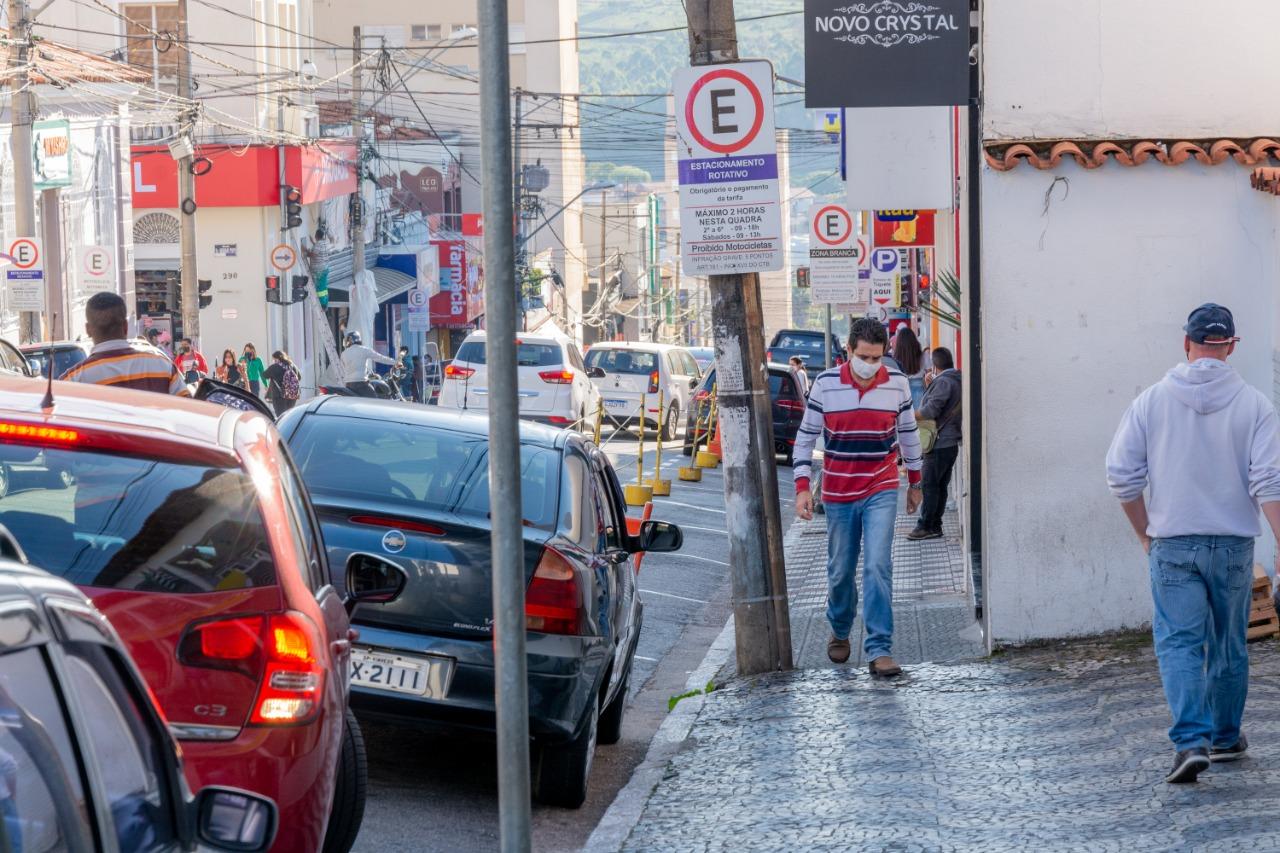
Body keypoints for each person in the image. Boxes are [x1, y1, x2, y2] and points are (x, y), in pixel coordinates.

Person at [1106, 303, 1280, 784]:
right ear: (1232, 347)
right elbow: (1269, 483)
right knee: (1228, 644)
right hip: (1232, 546)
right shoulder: (1255, 405)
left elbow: (1121, 477)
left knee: (1180, 643)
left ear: (1186, 343)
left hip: (1173, 544)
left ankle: (1190, 742)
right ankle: (1225, 737)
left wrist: (1144, 532)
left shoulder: (1151, 401)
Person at [794, 317, 923, 677]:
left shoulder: (897, 384)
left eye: (877, 357)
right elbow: (805, 439)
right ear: (848, 351)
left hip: (881, 485)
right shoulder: (825, 384)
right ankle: (839, 628)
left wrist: (915, 481)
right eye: (864, 356)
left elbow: (909, 434)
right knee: (840, 572)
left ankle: (879, 648)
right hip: (838, 491)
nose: (870, 364)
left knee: (878, 565)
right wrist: (803, 487)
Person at [60, 292, 187, 395]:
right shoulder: (163, 366)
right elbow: (188, 412)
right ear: (125, 327)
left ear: (88, 330)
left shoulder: (72, 381)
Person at [907, 347, 961, 541]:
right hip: (948, 442)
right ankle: (935, 525)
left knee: (930, 485)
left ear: (935, 366)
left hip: (939, 441)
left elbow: (930, 410)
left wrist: (906, 415)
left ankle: (926, 526)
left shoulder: (945, 382)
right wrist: (931, 384)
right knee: (939, 486)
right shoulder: (954, 379)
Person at [893, 326, 926, 408]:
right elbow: (929, 372)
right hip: (919, 385)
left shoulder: (895, 357)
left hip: (902, 387)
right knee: (919, 416)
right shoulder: (923, 355)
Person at [263, 350, 301, 416]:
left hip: (279, 397)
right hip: (292, 395)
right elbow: (299, 377)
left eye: (273, 359)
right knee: (289, 416)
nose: (273, 361)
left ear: (276, 359)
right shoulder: (292, 366)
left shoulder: (274, 367)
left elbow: (265, 375)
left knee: (281, 417)